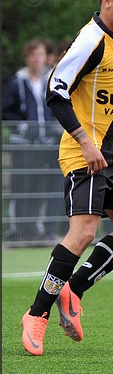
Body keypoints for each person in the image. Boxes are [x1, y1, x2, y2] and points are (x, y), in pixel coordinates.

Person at [20, 0, 113, 356]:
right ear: (107, 2)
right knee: (82, 233)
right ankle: (36, 314)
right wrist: (84, 140)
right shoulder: (90, 39)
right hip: (87, 155)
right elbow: (55, 91)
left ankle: (73, 291)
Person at [2, 39, 61, 241]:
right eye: (33, 55)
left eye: (41, 55)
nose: (37, 59)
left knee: (45, 186)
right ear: (27, 58)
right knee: (23, 186)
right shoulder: (17, 82)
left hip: (47, 144)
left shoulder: (50, 81)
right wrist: (23, 126)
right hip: (24, 145)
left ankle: (41, 230)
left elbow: (56, 107)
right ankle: (19, 230)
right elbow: (6, 110)